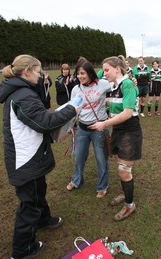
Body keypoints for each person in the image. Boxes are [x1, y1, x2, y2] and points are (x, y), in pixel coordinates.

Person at [0, 54, 79, 258]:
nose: (41, 74)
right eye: (37, 71)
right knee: (29, 204)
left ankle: (43, 220)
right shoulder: (22, 95)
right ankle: (22, 250)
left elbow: (39, 116)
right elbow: (44, 122)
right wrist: (71, 110)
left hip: (32, 156)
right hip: (25, 160)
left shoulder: (23, 91)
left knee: (38, 190)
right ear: (27, 72)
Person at [90, 55, 142, 221]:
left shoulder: (127, 84)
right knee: (120, 165)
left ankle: (129, 205)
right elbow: (96, 78)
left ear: (117, 69)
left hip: (129, 130)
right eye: (103, 70)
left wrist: (104, 124)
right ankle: (126, 192)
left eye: (107, 70)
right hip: (117, 129)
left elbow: (127, 113)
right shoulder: (113, 85)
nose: (104, 73)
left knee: (123, 171)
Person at [66, 60, 111, 198]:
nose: (79, 76)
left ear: (90, 73)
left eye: (82, 73)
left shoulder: (102, 84)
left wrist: (131, 81)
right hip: (82, 128)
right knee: (79, 157)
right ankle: (76, 180)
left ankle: (102, 186)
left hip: (99, 128)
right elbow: (72, 109)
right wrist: (69, 127)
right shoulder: (75, 89)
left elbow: (118, 85)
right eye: (78, 74)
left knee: (101, 158)